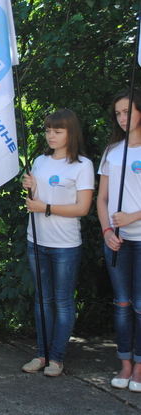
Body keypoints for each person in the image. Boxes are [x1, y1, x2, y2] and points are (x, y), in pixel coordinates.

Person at [21, 109, 94, 377]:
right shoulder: (40, 161)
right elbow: (36, 198)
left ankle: (57, 358)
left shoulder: (82, 165)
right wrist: (29, 186)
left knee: (62, 302)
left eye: (57, 131)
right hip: (36, 240)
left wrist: (46, 207)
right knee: (42, 301)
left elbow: (83, 208)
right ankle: (42, 354)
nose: (50, 135)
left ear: (70, 133)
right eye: (48, 130)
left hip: (65, 244)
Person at [97, 88, 141, 392]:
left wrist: (134, 216)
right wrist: (107, 231)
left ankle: (139, 366)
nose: (122, 118)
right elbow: (102, 199)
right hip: (116, 241)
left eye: (128, 111)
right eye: (118, 113)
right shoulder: (112, 151)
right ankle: (125, 363)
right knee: (122, 304)